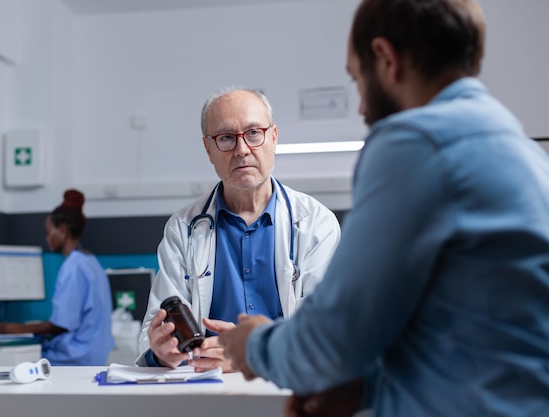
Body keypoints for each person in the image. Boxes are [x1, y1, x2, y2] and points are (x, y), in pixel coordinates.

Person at [218, 1, 549, 416]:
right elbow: (473, 330)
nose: (361, 107)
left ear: (386, 59)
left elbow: (332, 341)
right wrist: (368, 386)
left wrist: (252, 345)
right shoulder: (519, 148)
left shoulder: (417, 142)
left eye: (357, 79)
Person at [136, 88, 341, 371]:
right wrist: (162, 351)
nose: (242, 149)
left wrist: (253, 352)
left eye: (254, 133)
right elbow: (152, 331)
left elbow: (327, 331)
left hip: (288, 388)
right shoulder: (182, 229)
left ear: (274, 137)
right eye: (226, 138)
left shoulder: (316, 223)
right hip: (207, 392)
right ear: (208, 148)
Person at [0, 189, 115, 366]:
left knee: (11, 363)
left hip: (75, 358)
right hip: (95, 355)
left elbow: (60, 325)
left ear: (62, 231)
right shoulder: (91, 261)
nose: (47, 238)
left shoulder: (73, 266)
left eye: (49, 231)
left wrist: (15, 329)